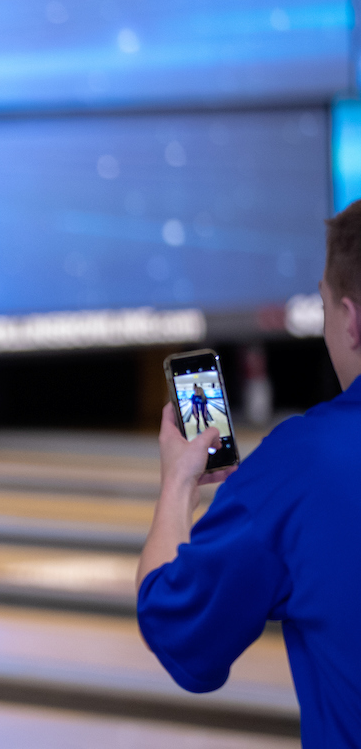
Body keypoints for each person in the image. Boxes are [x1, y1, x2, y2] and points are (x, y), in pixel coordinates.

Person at [137, 201, 361, 747]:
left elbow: (178, 628)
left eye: (325, 304)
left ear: (351, 320)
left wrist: (178, 486)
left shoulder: (303, 463)